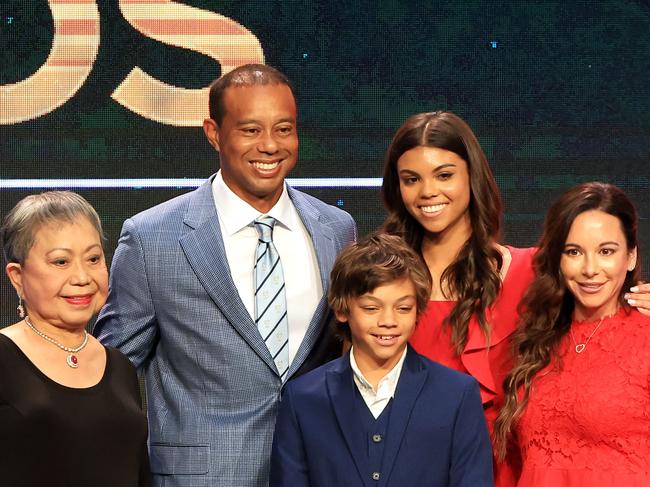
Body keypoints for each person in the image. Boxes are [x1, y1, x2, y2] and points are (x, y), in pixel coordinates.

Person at [93, 64, 357, 487]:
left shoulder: (337, 229)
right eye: (251, 130)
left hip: (318, 470)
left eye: (284, 129)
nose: (270, 146)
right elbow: (109, 374)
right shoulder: (151, 239)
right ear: (213, 133)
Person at [380, 111, 534, 485]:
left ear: (472, 176)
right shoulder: (380, 278)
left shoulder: (529, 270)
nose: (428, 191)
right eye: (411, 180)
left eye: (444, 175)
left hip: (503, 469)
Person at [270, 233, 493, 487]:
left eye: (403, 308)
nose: (388, 321)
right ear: (343, 310)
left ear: (418, 310)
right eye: (371, 308)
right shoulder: (303, 398)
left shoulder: (456, 395)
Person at [494, 182, 650, 486]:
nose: (590, 268)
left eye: (606, 251)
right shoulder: (536, 338)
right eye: (574, 252)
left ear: (630, 257)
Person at [0, 191, 150, 487]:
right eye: (61, 262)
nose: (82, 277)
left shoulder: (119, 366)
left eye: (93, 258)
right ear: (17, 276)